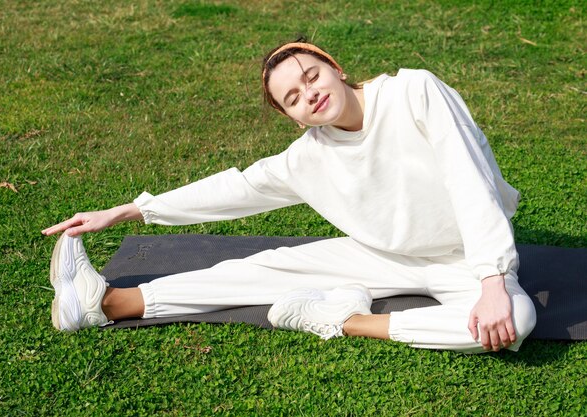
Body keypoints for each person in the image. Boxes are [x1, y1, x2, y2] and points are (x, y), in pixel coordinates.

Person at [42, 40, 537, 353]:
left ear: (334, 66)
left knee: (515, 319)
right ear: (292, 118)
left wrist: (492, 278)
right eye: (294, 99)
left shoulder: (413, 91)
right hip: (382, 257)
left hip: (466, 260)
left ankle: (342, 320)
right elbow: (236, 188)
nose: (311, 94)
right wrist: (131, 210)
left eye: (311, 77)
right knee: (263, 268)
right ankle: (105, 303)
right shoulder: (308, 157)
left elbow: (466, 178)